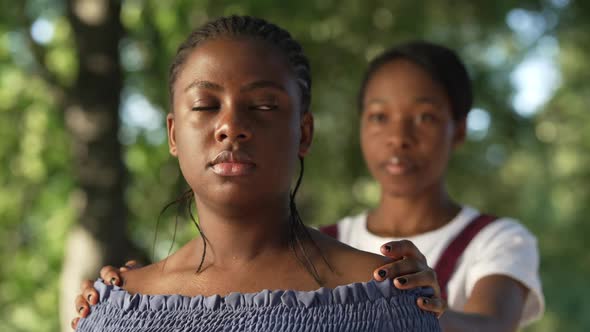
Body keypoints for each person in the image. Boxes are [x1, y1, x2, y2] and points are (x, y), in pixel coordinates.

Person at [72, 16, 441, 332]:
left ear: (304, 132)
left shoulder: (387, 299)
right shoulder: (115, 313)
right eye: (205, 105)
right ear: (173, 135)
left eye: (263, 105)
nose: (231, 126)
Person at [319, 41, 544, 331]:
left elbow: (493, 325)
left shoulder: (497, 240)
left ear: (459, 130)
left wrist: (426, 312)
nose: (398, 137)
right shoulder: (320, 245)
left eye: (425, 117)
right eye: (379, 117)